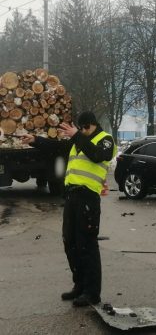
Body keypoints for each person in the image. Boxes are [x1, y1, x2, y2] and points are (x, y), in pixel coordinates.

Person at [21, 111, 116, 307]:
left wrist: (77, 136)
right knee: (70, 242)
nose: (80, 131)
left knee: (87, 245)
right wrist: (35, 140)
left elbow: (98, 156)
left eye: (82, 129)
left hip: (88, 197)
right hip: (72, 197)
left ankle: (92, 293)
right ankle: (79, 286)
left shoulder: (105, 140)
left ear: (90, 125)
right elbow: (57, 146)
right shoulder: (79, 140)